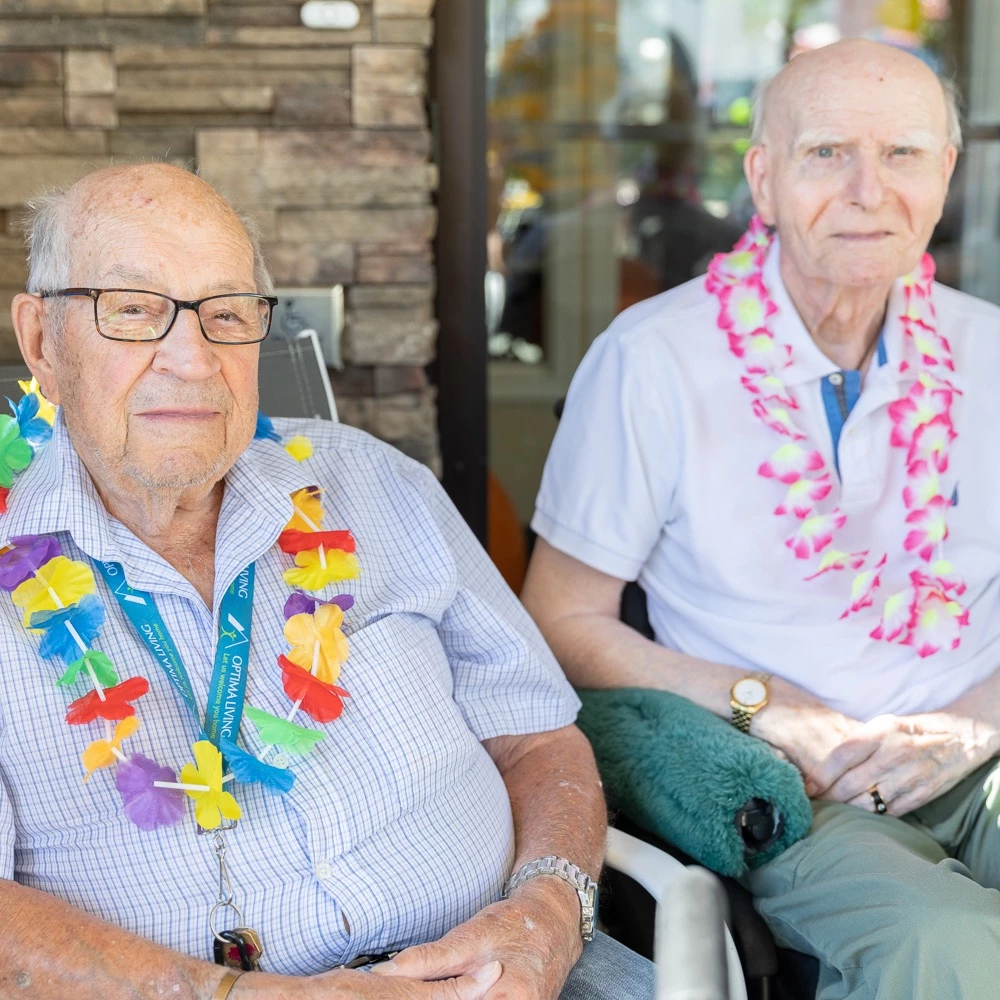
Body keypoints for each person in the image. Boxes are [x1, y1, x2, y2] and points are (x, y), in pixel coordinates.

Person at [0, 163, 653, 1000]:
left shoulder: (377, 485)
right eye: (132, 311)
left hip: (516, 970)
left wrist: (551, 911)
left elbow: (536, 736)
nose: (193, 360)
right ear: (42, 342)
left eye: (228, 314)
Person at [522, 38, 1000, 999]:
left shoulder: (990, 350)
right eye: (827, 153)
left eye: (903, 153)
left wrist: (972, 723)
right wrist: (764, 702)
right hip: (800, 787)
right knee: (947, 949)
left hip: (977, 748)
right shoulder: (653, 359)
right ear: (763, 178)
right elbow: (558, 620)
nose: (868, 188)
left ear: (946, 175)